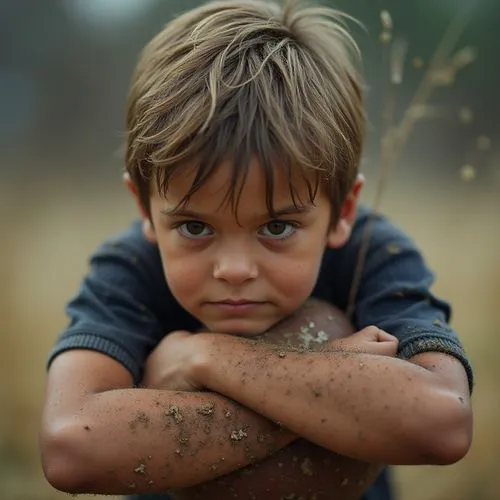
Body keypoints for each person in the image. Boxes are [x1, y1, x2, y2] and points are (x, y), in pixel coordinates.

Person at [40, 1, 474, 499]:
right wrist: (334, 382)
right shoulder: (131, 268)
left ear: (342, 213)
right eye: (196, 228)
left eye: (278, 226)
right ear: (144, 208)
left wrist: (205, 359)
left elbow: (443, 421)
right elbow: (70, 445)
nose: (235, 269)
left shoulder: (371, 254)